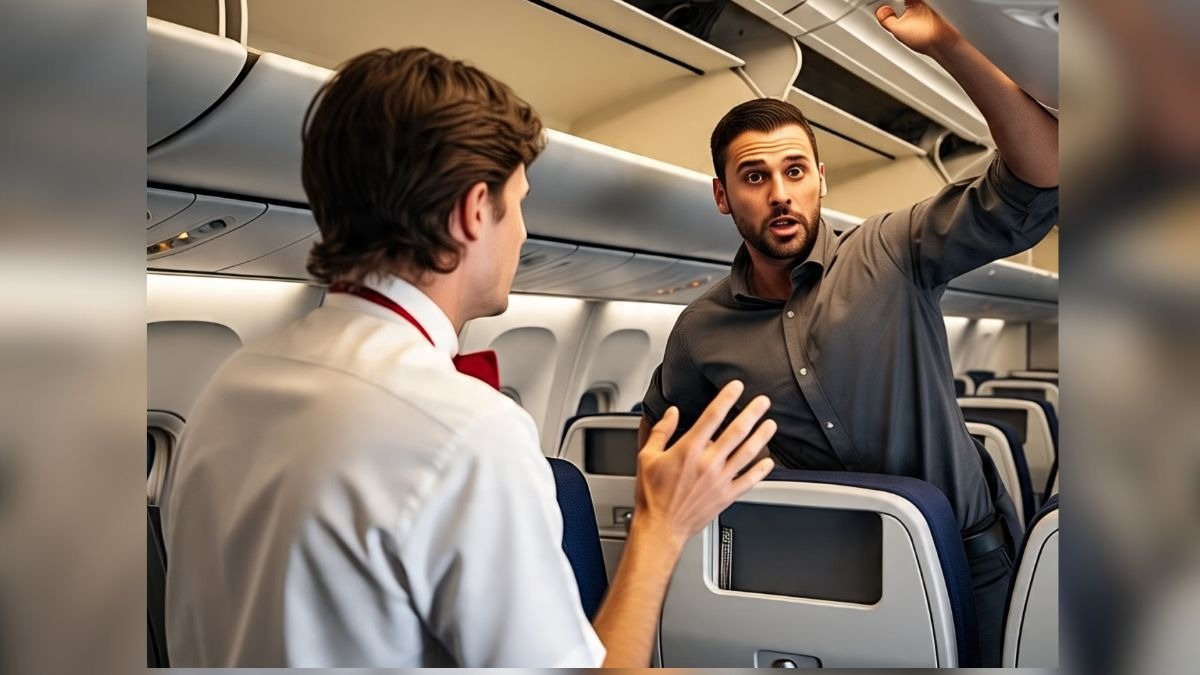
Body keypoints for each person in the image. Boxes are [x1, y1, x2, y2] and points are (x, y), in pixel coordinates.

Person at [160, 47, 777, 667]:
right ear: (473, 211)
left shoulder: (229, 385)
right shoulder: (464, 432)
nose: (524, 233)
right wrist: (660, 525)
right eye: (520, 203)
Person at [638, 1, 1058, 666]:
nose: (780, 193)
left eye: (795, 171)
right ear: (723, 196)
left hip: (966, 559)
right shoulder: (699, 332)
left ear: (819, 180)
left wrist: (949, 43)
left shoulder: (894, 250)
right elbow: (659, 447)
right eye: (754, 177)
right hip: (806, 577)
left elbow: (1042, 174)